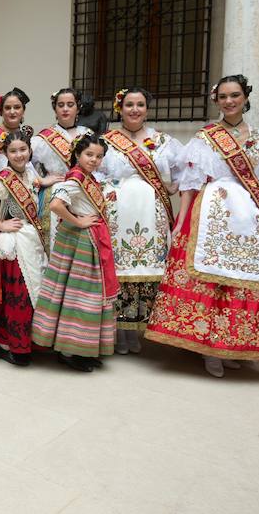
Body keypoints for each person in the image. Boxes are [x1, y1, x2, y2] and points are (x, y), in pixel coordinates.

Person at [145, 74, 259, 376]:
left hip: (250, 214)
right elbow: (189, 182)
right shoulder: (205, 136)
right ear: (217, 100)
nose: (229, 101)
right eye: (223, 97)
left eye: (235, 95)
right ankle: (206, 348)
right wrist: (182, 219)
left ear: (245, 97)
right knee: (210, 279)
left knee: (238, 280)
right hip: (212, 211)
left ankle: (232, 345)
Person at [99, 88, 183, 354]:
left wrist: (172, 186)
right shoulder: (107, 141)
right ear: (119, 108)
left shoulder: (163, 141)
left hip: (151, 213)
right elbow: (94, 172)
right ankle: (119, 330)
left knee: (148, 270)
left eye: (140, 105)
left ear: (147, 108)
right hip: (118, 213)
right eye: (129, 105)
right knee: (120, 270)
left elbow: (186, 171)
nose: (134, 109)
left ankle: (138, 330)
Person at [32, 132, 118, 372]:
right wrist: (79, 222)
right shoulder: (75, 179)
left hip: (87, 240)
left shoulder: (88, 177)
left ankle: (81, 348)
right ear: (77, 155)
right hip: (80, 242)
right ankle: (70, 350)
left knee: (81, 294)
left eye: (99, 156)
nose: (94, 159)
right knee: (79, 295)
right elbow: (56, 204)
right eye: (89, 154)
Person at [0, 130, 47, 366]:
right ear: (5, 153)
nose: (19, 155)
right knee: (16, 296)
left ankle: (27, 341)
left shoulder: (29, 173)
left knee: (30, 292)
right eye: (13, 151)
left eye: (23, 150)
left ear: (29, 151)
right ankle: (10, 345)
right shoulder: (3, 179)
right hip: (13, 247)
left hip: (30, 239)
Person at [31, 88, 93, 250]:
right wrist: (42, 179)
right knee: (56, 242)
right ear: (55, 109)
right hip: (56, 194)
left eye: (70, 104)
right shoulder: (42, 139)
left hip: (83, 192)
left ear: (77, 108)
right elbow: (23, 163)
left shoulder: (87, 135)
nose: (65, 108)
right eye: (61, 105)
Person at [0, 88, 34, 179]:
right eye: (7, 108)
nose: (12, 112)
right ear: (1, 111)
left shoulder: (23, 134)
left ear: (23, 111)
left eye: (17, 107)